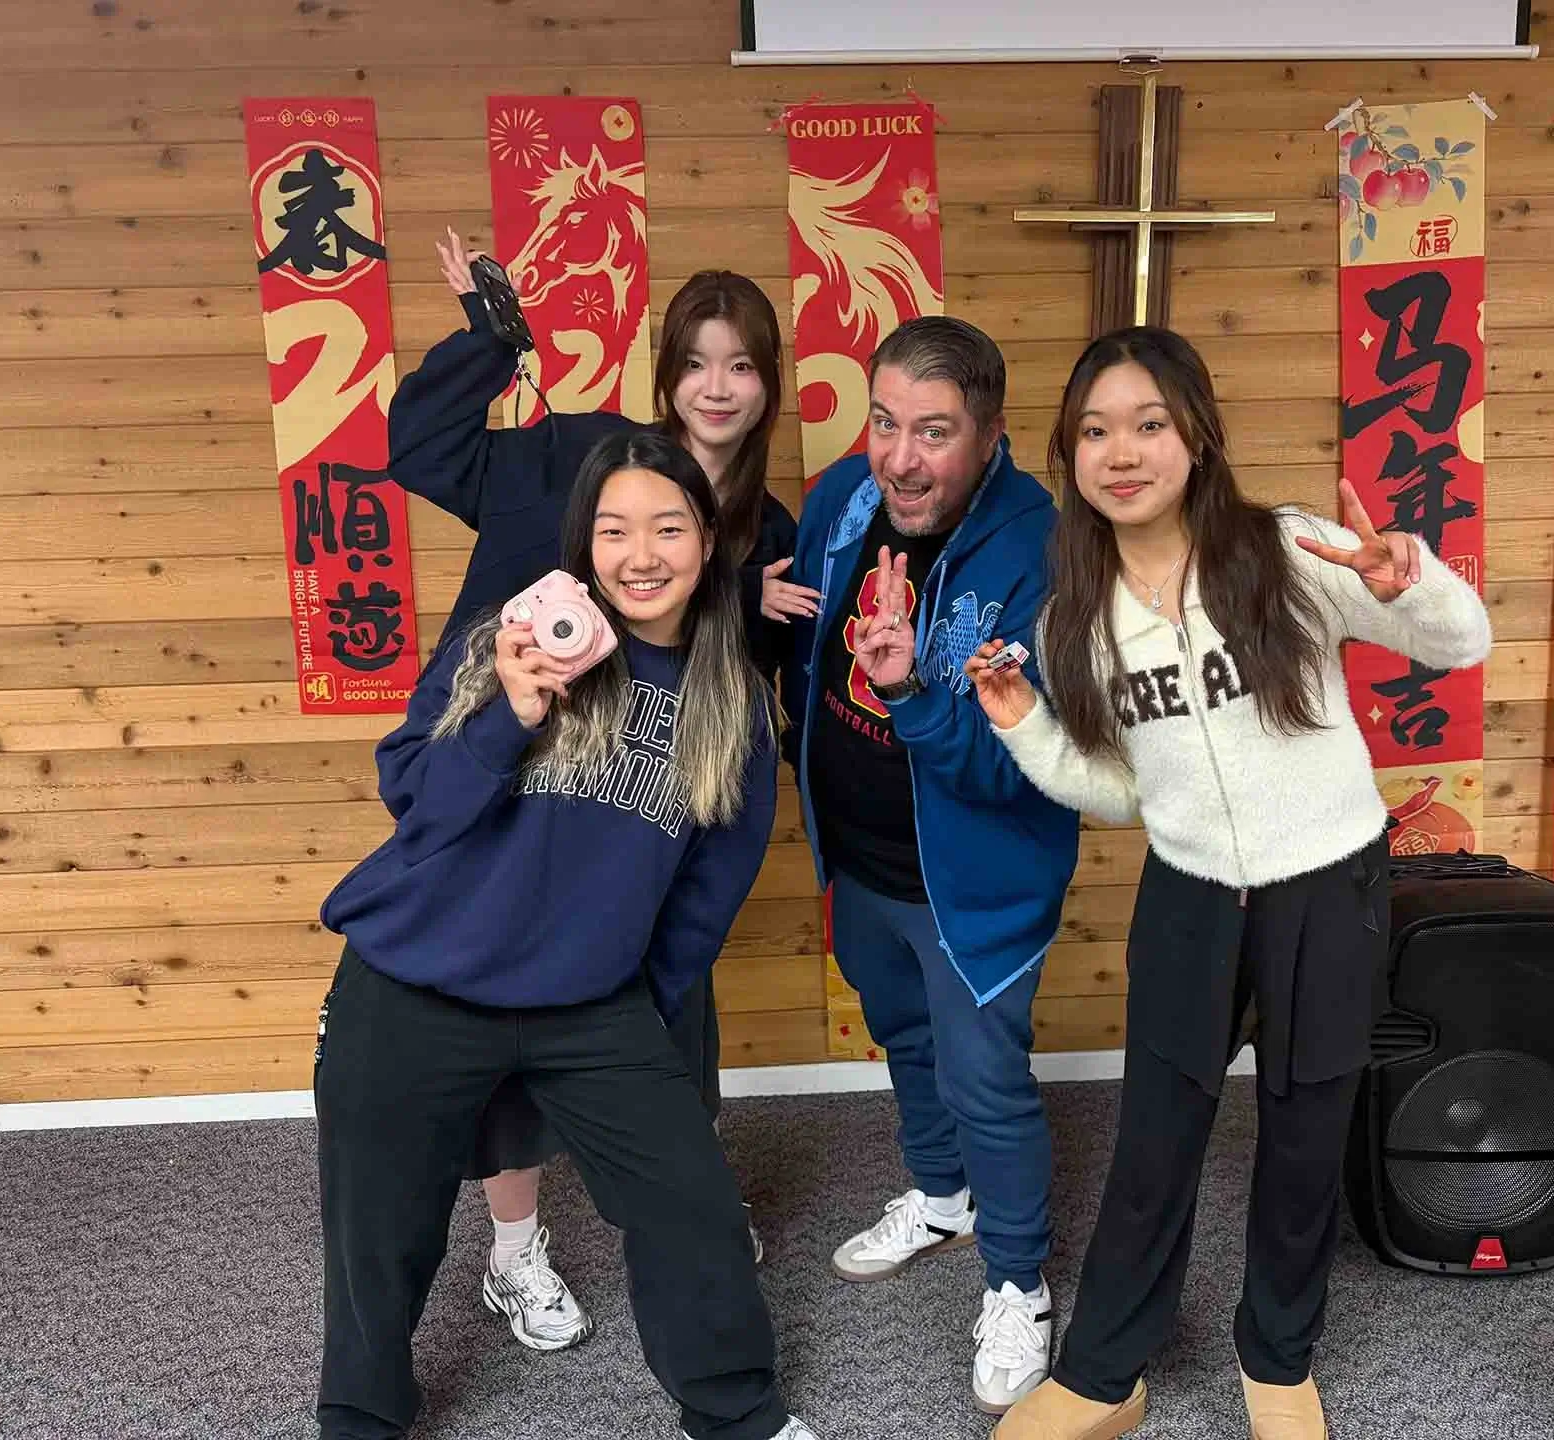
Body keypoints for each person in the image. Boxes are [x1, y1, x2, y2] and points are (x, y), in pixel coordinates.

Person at [969, 327, 1492, 1440]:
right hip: (1190, 899)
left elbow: (1462, 641)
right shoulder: (1077, 612)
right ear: (1070, 454)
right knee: (1155, 1141)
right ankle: (1106, 1372)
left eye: (1149, 424)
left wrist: (1410, 577)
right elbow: (1120, 789)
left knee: (1306, 1132)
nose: (1124, 452)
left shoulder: (1289, 548)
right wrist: (1022, 727)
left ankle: (1279, 1360)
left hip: (1328, 887)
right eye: (1097, 431)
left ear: (1197, 436)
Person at [313, 429, 819, 1440]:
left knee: (694, 1208)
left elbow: (703, 901)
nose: (642, 554)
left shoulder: (731, 705)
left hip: (589, 1007)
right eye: (614, 528)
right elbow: (415, 798)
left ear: (708, 537)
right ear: (584, 542)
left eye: (668, 527)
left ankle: (736, 1416)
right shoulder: (515, 639)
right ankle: (358, 1417)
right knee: (380, 1233)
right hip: (414, 983)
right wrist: (510, 712)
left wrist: (628, 1009)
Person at [382, 232, 815, 1348]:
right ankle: (514, 1254)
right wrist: (493, 337)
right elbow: (423, 450)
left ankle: (677, 1208)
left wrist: (750, 613)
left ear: (768, 384)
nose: (717, 386)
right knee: (501, 1017)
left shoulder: (769, 531)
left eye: (743, 365)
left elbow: (737, 704)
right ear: (665, 374)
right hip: (513, 773)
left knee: (669, 1009)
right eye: (696, 362)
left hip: (644, 825)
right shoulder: (576, 450)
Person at [778, 315, 1081, 1414]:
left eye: (935, 433)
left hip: (974, 884)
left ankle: (1016, 1281)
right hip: (857, 862)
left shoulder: (1049, 557)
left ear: (992, 434)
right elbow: (808, 657)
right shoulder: (840, 502)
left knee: (986, 1083)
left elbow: (1031, 770)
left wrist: (910, 694)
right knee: (903, 1038)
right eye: (886, 422)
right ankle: (941, 1194)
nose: (901, 458)